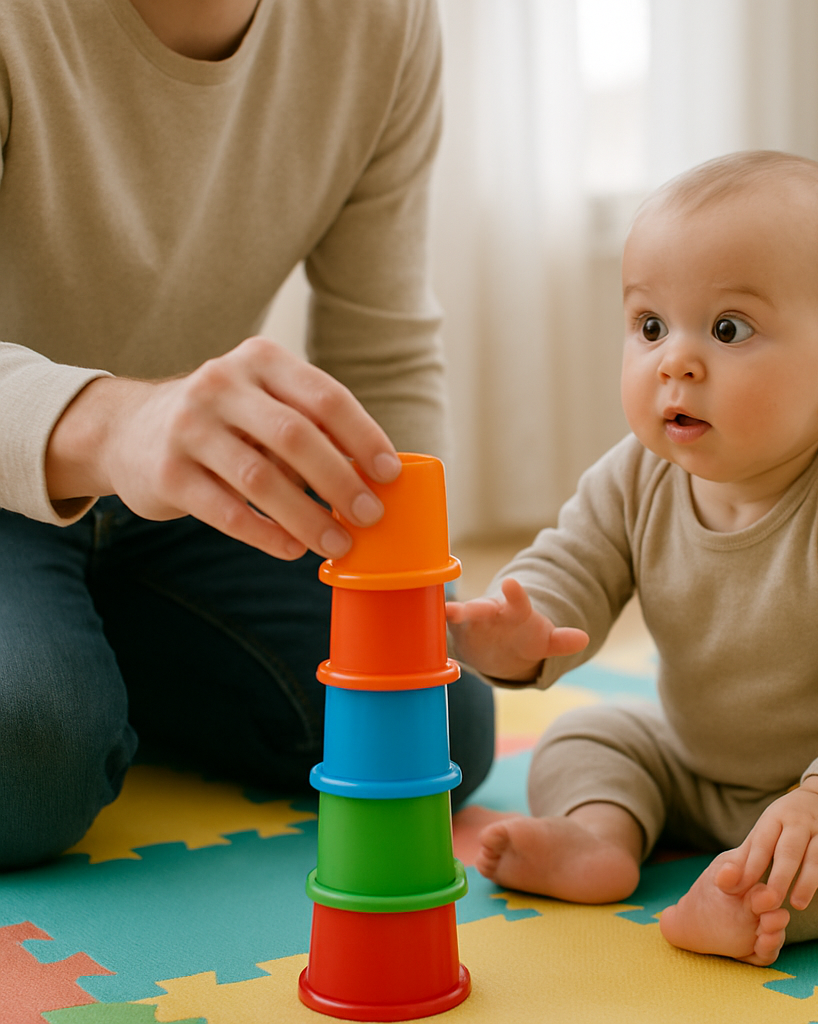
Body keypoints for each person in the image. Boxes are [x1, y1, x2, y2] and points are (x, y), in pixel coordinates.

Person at [445, 151, 818, 966]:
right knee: (586, 734)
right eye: (649, 326)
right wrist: (519, 635)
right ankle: (600, 837)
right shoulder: (635, 476)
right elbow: (571, 572)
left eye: (729, 329)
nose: (675, 360)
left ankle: (763, 901)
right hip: (701, 769)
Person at [0, 0, 493, 871]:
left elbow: (385, 347)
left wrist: (414, 585)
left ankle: (88, 649)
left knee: (435, 725)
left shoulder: (383, 23)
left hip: (187, 489)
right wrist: (116, 422)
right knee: (27, 757)